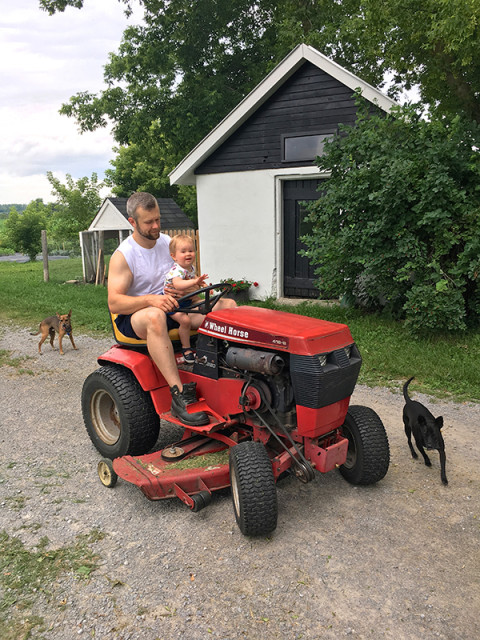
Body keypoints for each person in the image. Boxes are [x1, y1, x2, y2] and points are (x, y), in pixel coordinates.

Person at [107, 192, 236, 427]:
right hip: (136, 316)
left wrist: (190, 289)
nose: (156, 226)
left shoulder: (169, 244)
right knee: (155, 316)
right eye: (148, 222)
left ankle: (234, 373)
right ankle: (179, 396)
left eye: (158, 219)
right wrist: (151, 300)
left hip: (176, 309)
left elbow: (183, 278)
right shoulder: (123, 256)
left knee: (226, 305)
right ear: (132, 222)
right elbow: (115, 303)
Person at [164, 234, 208, 365]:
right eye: (183, 251)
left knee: (207, 309)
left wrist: (204, 286)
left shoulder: (190, 268)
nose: (188, 254)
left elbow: (194, 280)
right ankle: (186, 348)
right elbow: (178, 285)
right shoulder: (176, 270)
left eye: (191, 250)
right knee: (185, 321)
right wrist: (195, 283)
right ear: (174, 256)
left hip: (187, 300)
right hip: (174, 304)